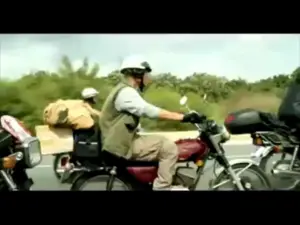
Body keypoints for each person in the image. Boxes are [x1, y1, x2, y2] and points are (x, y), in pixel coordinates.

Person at [99, 55, 205, 191]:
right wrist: (183, 117)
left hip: (121, 141)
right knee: (168, 147)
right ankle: (162, 187)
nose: (148, 78)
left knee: (158, 141)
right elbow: (148, 110)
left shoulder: (124, 90)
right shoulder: (126, 92)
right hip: (121, 145)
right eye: (145, 74)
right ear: (137, 74)